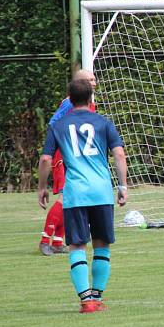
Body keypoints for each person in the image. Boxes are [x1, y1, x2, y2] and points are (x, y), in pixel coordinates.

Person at [37, 78, 128, 314]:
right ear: (90, 98)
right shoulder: (103, 122)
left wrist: (42, 187)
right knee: (102, 244)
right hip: (101, 191)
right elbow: (119, 154)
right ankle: (97, 297)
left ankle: (86, 300)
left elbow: (46, 159)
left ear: (69, 98)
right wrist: (123, 186)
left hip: (75, 192)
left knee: (77, 244)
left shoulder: (58, 125)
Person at [38, 69, 97, 256]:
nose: (94, 83)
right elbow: (54, 124)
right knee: (65, 199)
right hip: (63, 157)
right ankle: (45, 240)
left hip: (77, 158)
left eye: (94, 79)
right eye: (90, 80)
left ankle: (57, 241)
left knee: (72, 199)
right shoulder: (69, 103)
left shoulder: (89, 103)